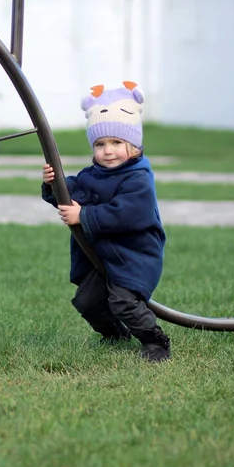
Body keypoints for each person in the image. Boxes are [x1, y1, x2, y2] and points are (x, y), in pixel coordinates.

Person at [41, 81, 170, 362]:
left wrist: (83, 215)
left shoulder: (139, 178)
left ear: (133, 146)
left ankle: (155, 342)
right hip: (101, 256)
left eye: (116, 143)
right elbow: (72, 191)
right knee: (87, 302)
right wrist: (54, 185)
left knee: (124, 302)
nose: (108, 151)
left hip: (132, 255)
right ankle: (114, 335)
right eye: (100, 144)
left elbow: (127, 214)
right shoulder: (93, 174)